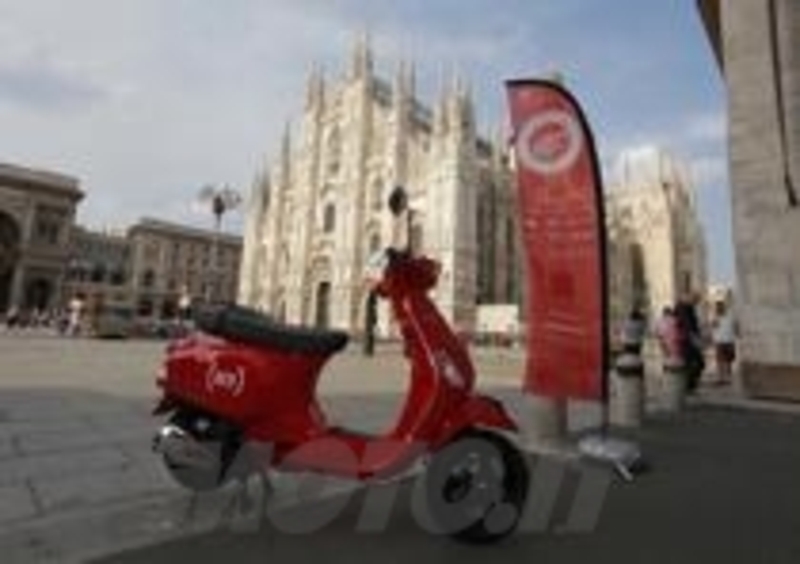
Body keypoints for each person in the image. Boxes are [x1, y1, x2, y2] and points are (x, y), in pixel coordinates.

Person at [674, 291, 705, 393]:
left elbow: (692, 325)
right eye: (695, 300)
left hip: (689, 340)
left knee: (696, 363)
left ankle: (689, 385)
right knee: (694, 363)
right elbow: (687, 326)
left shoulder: (688, 308)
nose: (696, 302)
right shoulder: (683, 308)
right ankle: (688, 386)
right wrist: (695, 339)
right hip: (687, 341)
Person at [711, 301, 737, 386]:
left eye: (720, 307)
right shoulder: (716, 317)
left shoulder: (730, 316)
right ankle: (721, 377)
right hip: (720, 341)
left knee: (728, 360)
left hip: (728, 340)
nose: (718, 309)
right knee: (720, 361)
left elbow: (735, 326)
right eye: (717, 308)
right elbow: (713, 326)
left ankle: (727, 377)